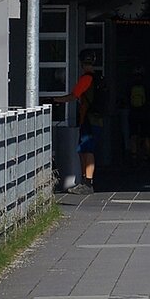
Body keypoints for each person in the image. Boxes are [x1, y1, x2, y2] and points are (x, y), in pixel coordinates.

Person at [54, 51, 103, 194]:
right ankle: (86, 181)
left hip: (88, 119)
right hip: (96, 119)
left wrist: (55, 100)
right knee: (85, 150)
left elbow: (73, 96)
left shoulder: (86, 79)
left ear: (81, 63)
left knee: (86, 150)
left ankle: (87, 182)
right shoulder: (98, 78)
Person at [128, 65, 150, 162]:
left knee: (133, 134)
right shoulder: (147, 84)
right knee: (146, 134)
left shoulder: (130, 84)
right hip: (145, 112)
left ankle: (133, 154)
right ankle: (147, 154)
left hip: (133, 112)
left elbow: (126, 97)